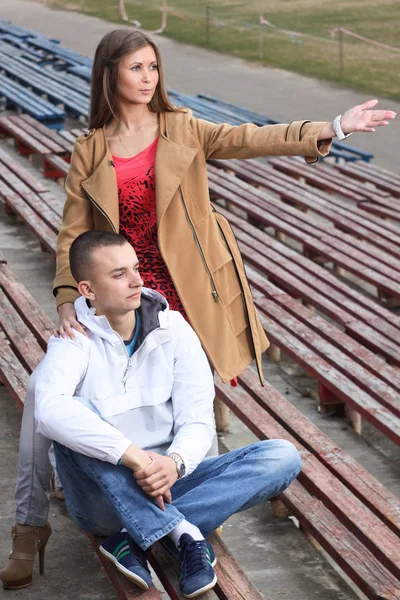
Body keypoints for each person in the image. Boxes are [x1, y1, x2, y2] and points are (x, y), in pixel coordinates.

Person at [0, 27, 395, 590]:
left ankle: (149, 514)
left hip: (183, 285)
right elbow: (73, 235)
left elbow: (250, 139)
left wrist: (331, 129)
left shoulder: (181, 127)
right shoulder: (90, 146)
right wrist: (67, 298)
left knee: (197, 409)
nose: (147, 78)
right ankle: (162, 521)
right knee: (81, 401)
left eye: (153, 68)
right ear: (110, 73)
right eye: (136, 68)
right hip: (120, 280)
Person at [20, 231, 303, 597]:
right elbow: (48, 409)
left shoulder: (174, 329)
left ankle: (132, 538)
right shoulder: (72, 340)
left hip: (169, 484)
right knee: (70, 410)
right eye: (119, 274)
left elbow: (198, 418)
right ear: (87, 290)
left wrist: (175, 463)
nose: (137, 280)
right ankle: (184, 533)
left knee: (282, 455)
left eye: (136, 269)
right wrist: (134, 457)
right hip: (102, 500)